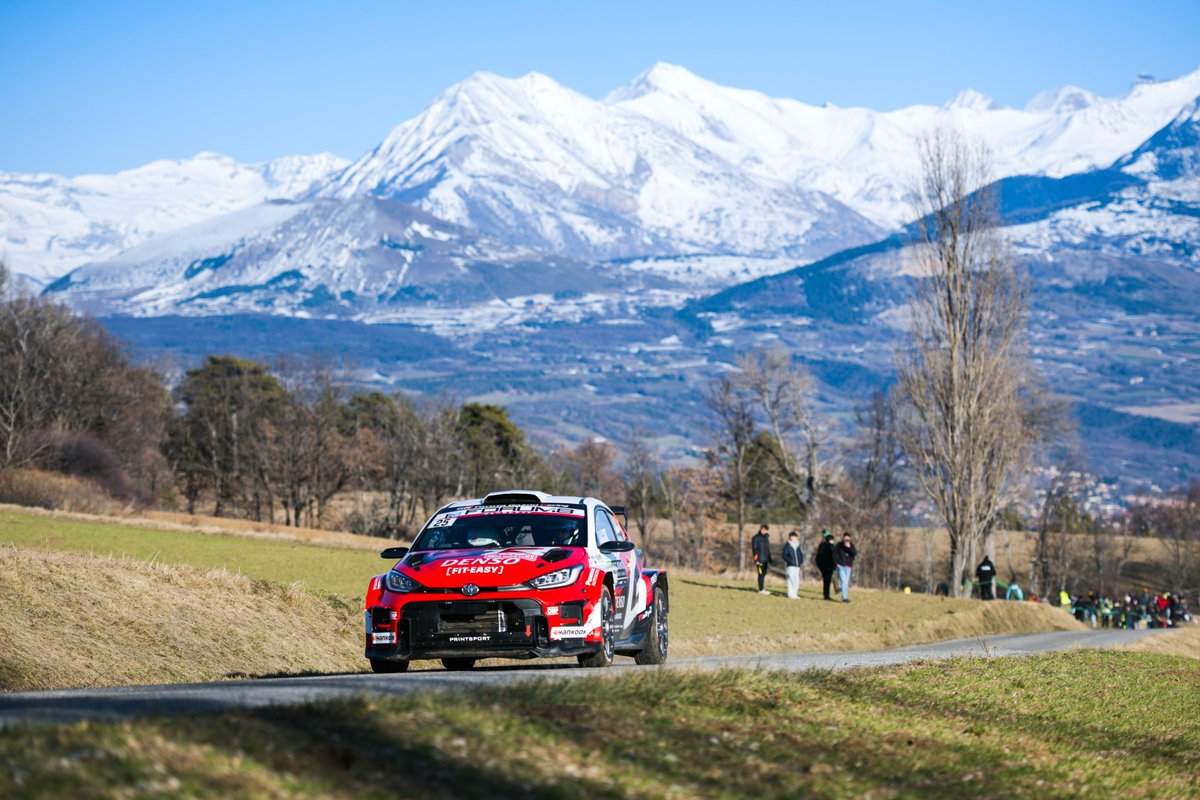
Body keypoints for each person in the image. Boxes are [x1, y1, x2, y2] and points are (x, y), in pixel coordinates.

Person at [834, 531, 857, 603]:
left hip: (848, 566)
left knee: (846, 582)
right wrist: (837, 563)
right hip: (841, 565)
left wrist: (849, 548)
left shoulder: (851, 545)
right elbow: (834, 554)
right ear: (843, 538)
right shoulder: (839, 545)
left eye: (848, 539)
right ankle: (844, 598)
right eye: (845, 539)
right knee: (844, 581)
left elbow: (854, 553)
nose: (847, 540)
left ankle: (842, 592)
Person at [781, 530, 804, 599]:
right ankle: (790, 594)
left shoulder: (798, 545)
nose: (793, 538)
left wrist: (800, 561)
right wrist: (789, 561)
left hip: (797, 566)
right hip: (790, 565)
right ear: (790, 537)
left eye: (795, 537)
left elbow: (800, 554)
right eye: (792, 537)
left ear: (797, 537)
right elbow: (784, 555)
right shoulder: (787, 545)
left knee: (796, 580)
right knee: (790, 579)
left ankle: (795, 593)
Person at [751, 523, 772, 595]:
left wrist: (770, 558)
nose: (764, 531)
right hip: (759, 560)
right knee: (760, 574)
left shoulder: (766, 538)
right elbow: (755, 550)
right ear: (760, 529)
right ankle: (761, 590)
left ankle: (762, 588)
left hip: (765, 559)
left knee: (764, 573)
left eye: (765, 530)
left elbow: (767, 549)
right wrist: (756, 560)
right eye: (762, 529)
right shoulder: (756, 538)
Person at [815, 530, 836, 601]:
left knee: (827, 581)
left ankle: (826, 595)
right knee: (827, 581)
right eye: (831, 540)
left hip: (827, 566)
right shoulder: (828, 546)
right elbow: (819, 557)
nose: (832, 541)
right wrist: (821, 567)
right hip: (827, 566)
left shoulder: (823, 545)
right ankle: (826, 596)